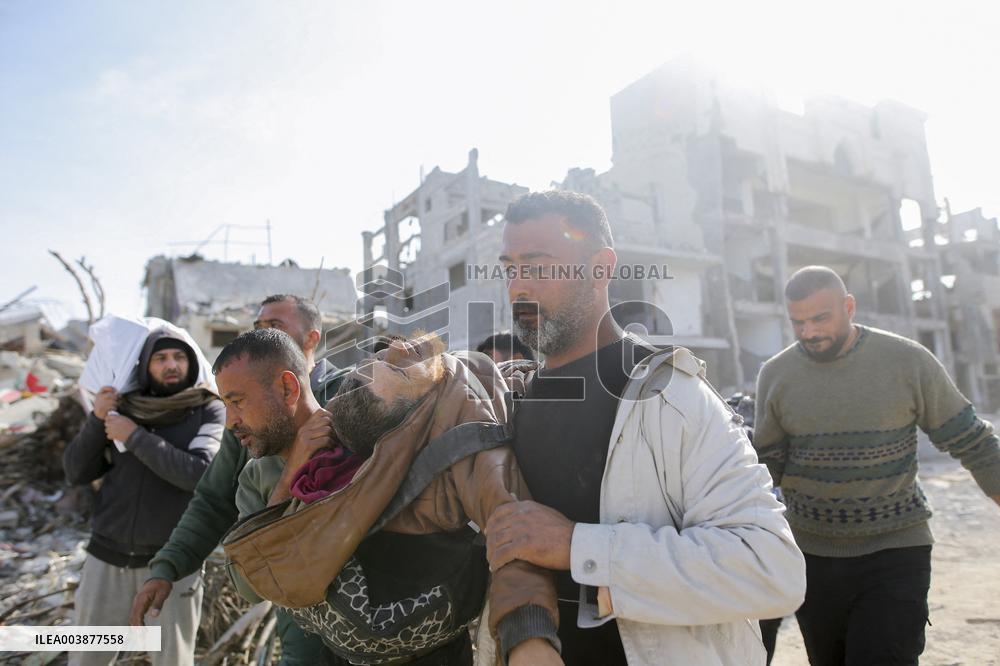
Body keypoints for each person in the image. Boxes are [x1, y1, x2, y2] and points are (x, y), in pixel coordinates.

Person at [483, 190, 805, 666]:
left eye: (537, 266)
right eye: (510, 269)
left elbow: (770, 568)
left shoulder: (672, 397)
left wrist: (577, 546)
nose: (517, 288)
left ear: (600, 268)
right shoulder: (509, 407)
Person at [218, 329, 560, 665]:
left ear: (288, 387)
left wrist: (528, 635)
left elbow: (510, 523)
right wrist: (292, 472)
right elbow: (249, 584)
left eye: (237, 402)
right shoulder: (256, 476)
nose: (230, 421)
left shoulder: (400, 435)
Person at [754, 265, 1000, 665]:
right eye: (798, 322)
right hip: (812, 557)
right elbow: (766, 469)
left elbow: (976, 443)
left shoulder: (907, 361)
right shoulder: (776, 375)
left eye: (820, 318)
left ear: (849, 307)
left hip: (895, 551)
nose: (809, 332)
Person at [129, 295, 349, 665]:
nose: (231, 419)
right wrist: (168, 566)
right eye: (257, 327)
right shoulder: (250, 442)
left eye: (274, 327)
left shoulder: (354, 397)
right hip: (304, 627)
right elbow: (213, 502)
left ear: (311, 338)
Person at [64, 328, 225, 666]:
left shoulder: (207, 410)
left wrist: (135, 437)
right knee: (87, 659)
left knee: (172, 660)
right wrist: (97, 419)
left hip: (172, 565)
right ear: (144, 365)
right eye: (160, 358)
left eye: (179, 357)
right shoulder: (125, 408)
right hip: (107, 559)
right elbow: (76, 472)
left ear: (191, 363)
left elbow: (200, 475)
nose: (171, 365)